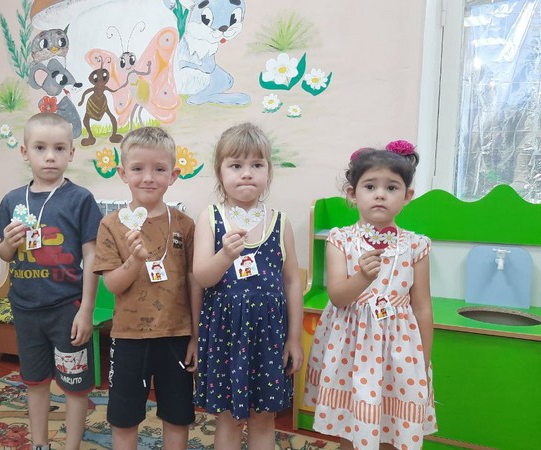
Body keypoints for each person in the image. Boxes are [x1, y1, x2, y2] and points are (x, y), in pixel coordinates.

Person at [303, 141, 436, 450]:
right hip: (350, 351)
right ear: (353, 193)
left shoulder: (416, 245)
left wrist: (423, 360)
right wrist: (363, 276)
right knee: (351, 426)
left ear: (407, 196)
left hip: (398, 352)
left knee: (393, 427)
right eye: (370, 186)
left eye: (392, 187)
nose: (380, 194)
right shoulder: (340, 239)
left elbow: (422, 307)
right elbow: (338, 297)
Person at [0, 112, 103, 450]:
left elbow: (92, 257)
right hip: (25, 310)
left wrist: (86, 309)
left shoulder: (80, 199)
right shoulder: (12, 200)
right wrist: (8, 244)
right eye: (40, 148)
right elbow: (4, 255)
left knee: (75, 386)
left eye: (59, 148)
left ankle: (71, 446)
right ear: (25, 152)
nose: (50, 156)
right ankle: (39, 443)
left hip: (67, 310)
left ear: (71, 153)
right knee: (35, 382)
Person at [192, 122, 304, 450]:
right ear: (219, 171)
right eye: (236, 165)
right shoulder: (210, 218)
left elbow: (292, 281)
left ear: (268, 171)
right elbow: (202, 277)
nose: (246, 174)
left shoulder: (280, 222)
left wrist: (294, 338)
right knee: (228, 417)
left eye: (257, 165)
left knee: (264, 417)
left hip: (268, 338)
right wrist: (225, 255)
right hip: (225, 337)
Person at [93, 127, 202, 450]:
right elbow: (112, 284)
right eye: (138, 168)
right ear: (123, 173)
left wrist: (196, 336)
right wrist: (135, 261)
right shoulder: (110, 224)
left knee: (178, 416)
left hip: (176, 335)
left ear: (173, 175)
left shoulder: (184, 224)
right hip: (129, 337)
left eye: (159, 169)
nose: (148, 178)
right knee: (124, 417)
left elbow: (194, 281)